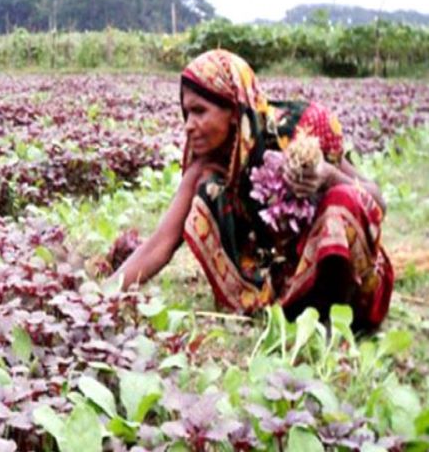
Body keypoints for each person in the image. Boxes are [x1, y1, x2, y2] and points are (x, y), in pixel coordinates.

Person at [117, 49, 393, 328]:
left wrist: (329, 175)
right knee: (207, 188)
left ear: (234, 111)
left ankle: (334, 320)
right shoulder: (208, 165)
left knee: (342, 199)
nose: (189, 126)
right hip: (276, 296)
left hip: (342, 286)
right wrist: (104, 293)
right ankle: (282, 309)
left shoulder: (302, 129)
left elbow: (377, 200)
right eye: (186, 113)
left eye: (199, 111)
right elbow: (160, 244)